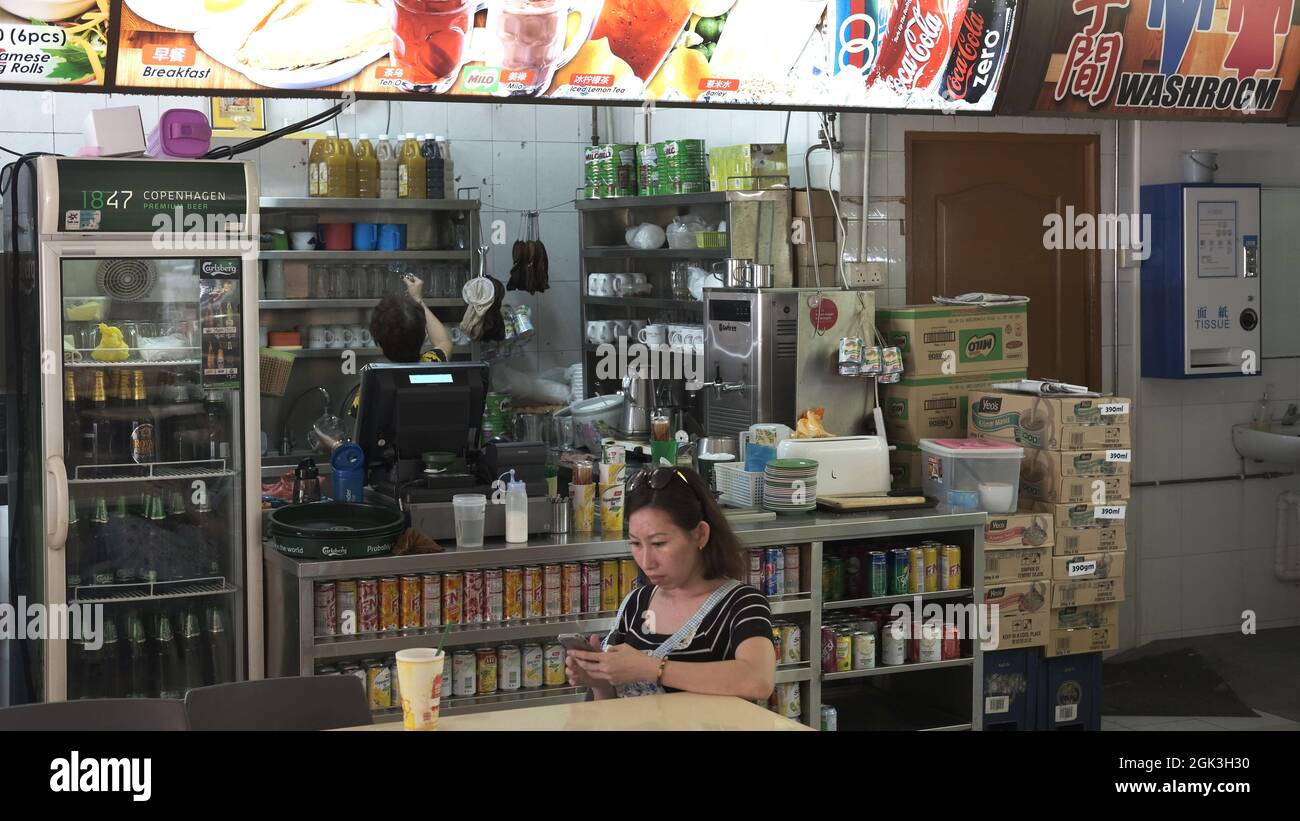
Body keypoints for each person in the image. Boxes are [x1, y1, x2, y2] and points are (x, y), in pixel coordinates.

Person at [565, 466, 776, 701]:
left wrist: (651, 668)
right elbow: (612, 711)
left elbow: (758, 680)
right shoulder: (636, 604)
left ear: (700, 535)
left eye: (658, 544)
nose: (646, 561)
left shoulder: (741, 603)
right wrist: (600, 681)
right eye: (636, 544)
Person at [370, 273, 453, 363]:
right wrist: (418, 300)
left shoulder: (376, 373)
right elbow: (443, 342)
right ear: (425, 336)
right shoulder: (430, 362)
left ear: (377, 338)